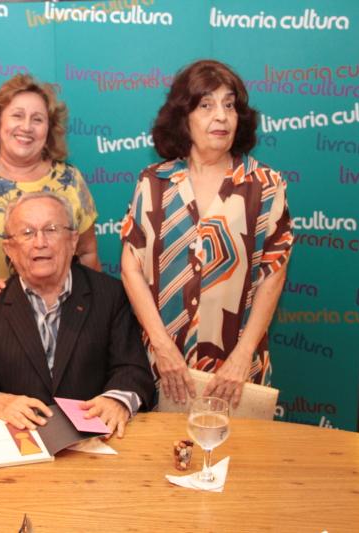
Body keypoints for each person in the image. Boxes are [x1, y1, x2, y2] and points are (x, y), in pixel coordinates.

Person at [120, 59, 293, 409]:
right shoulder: (154, 182)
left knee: (237, 445)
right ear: (183, 116)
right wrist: (161, 346)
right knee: (159, 444)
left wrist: (243, 356)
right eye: (206, 105)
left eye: (229, 105)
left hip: (236, 369)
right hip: (164, 363)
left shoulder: (265, 185)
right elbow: (131, 268)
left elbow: (274, 274)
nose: (221, 117)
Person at [0, 192, 155, 437]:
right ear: (9, 249)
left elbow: (134, 371)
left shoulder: (109, 295)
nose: (40, 242)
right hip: (23, 442)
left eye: (51, 229)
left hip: (96, 439)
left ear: (73, 241)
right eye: (27, 232)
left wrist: (116, 400)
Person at [0, 74, 100, 298]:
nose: (27, 127)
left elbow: (88, 253)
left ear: (48, 131)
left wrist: (83, 304)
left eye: (37, 119)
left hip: (63, 313)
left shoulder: (70, 179)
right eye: (17, 115)